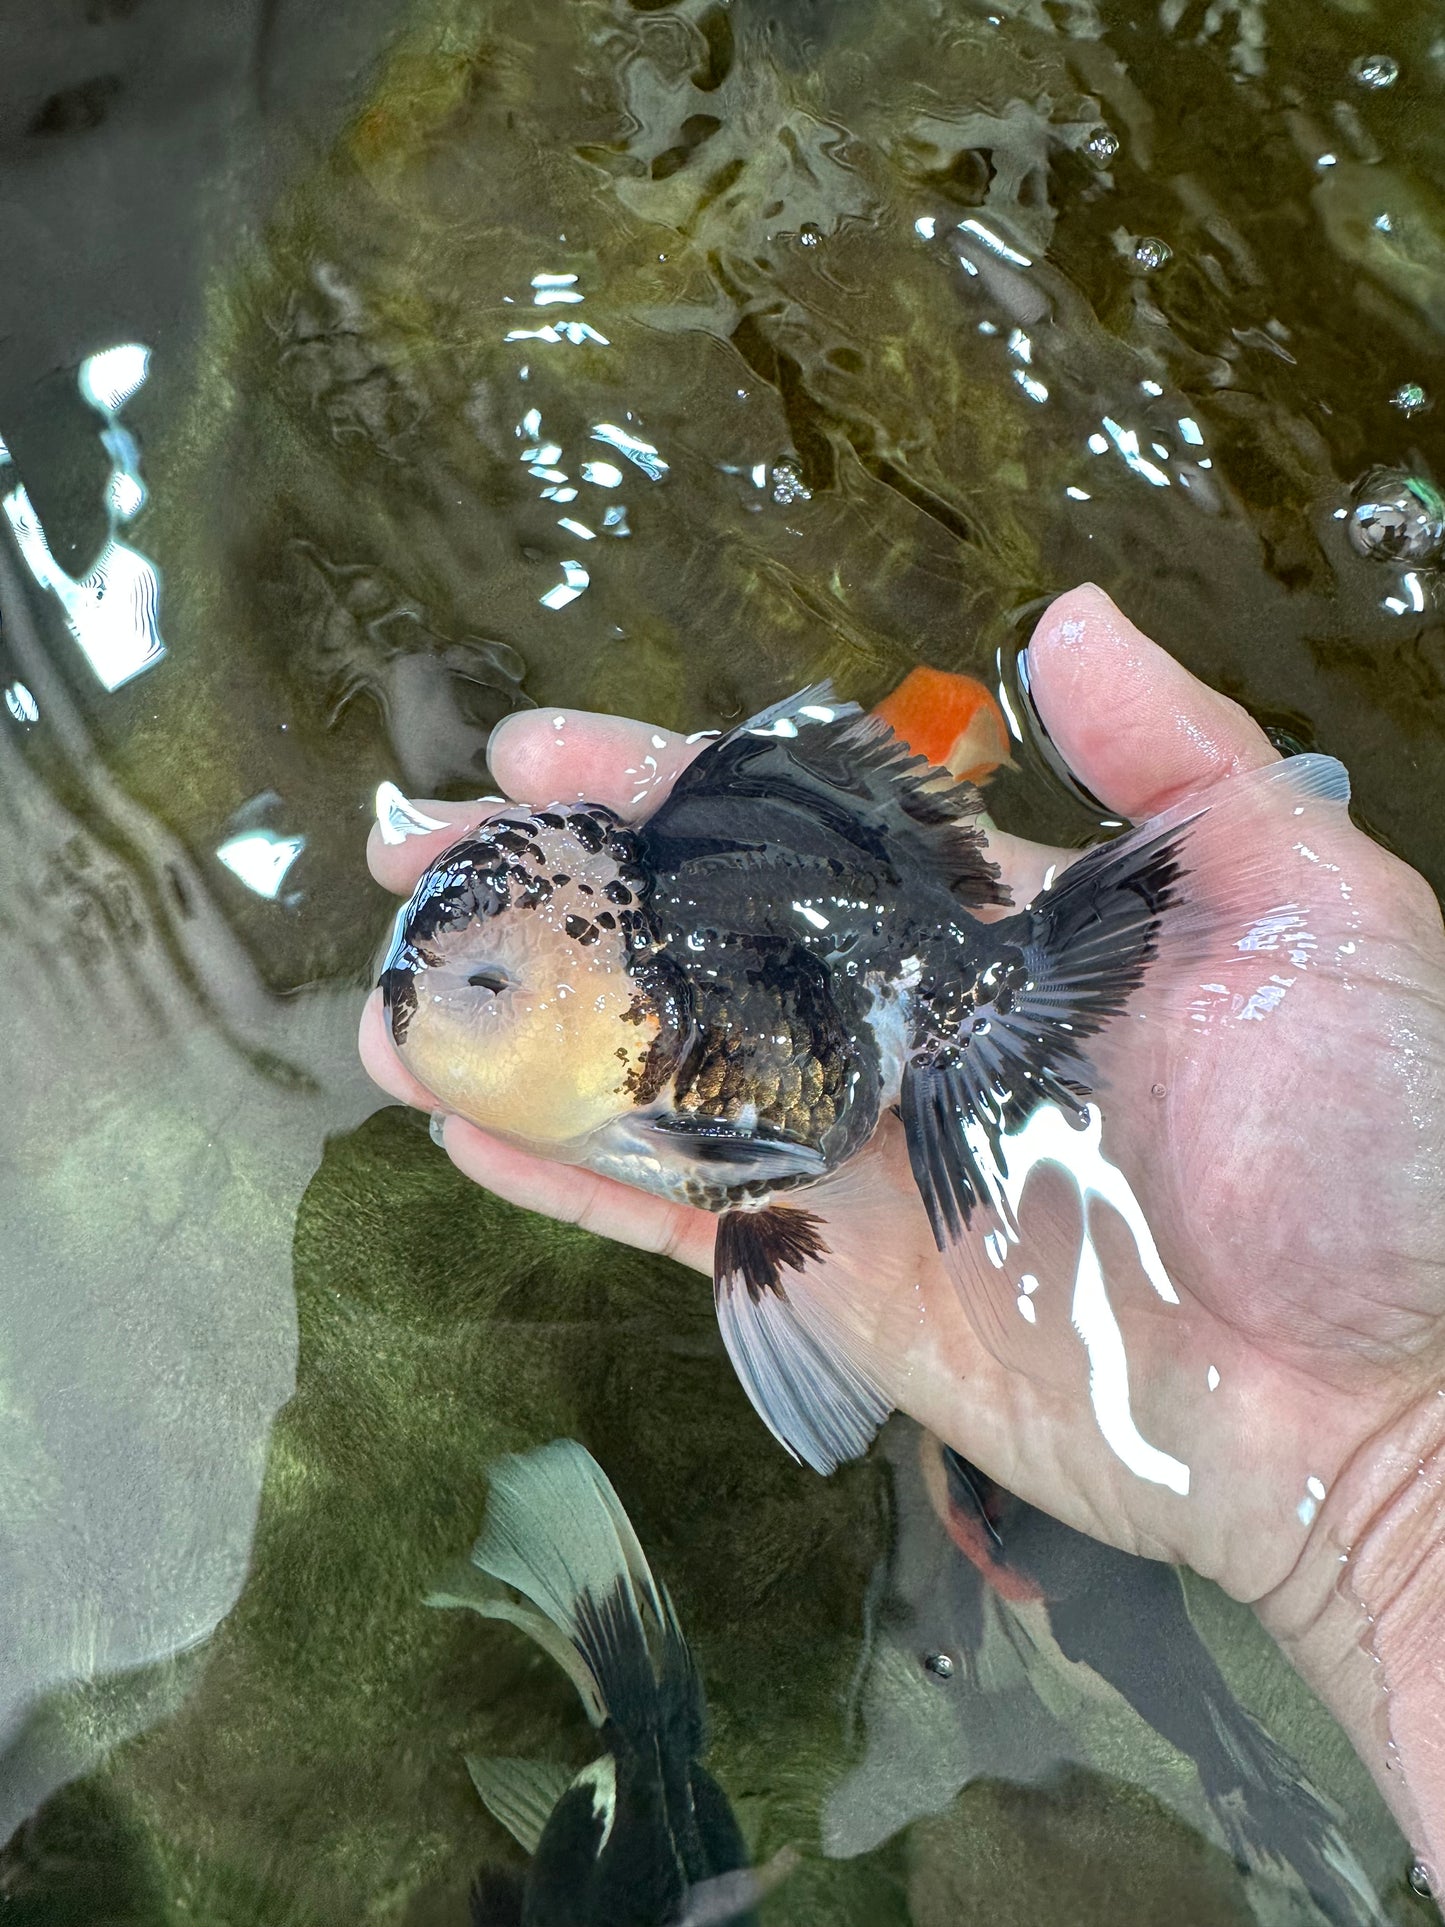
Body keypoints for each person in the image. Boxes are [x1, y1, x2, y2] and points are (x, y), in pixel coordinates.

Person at [359, 584, 1445, 1892]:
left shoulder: (667, 1026)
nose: (429, 999)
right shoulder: (625, 1033)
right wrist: (1393, 1478)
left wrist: (1396, 1459)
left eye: (481, 982)